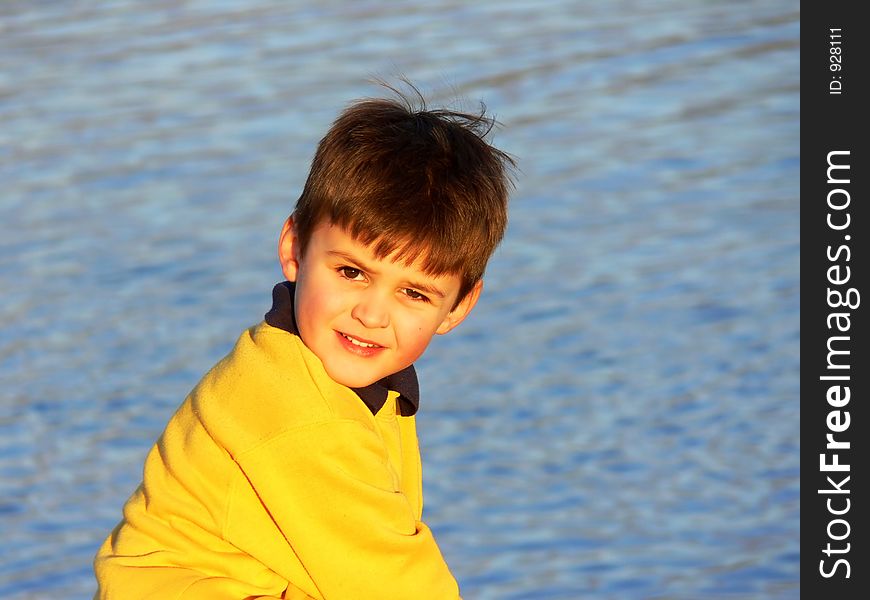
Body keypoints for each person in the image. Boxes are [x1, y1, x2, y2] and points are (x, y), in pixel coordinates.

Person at [93, 84, 514, 600]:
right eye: (351, 272)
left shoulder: (311, 371)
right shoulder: (304, 416)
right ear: (294, 250)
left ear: (458, 307)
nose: (372, 314)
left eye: (413, 293)